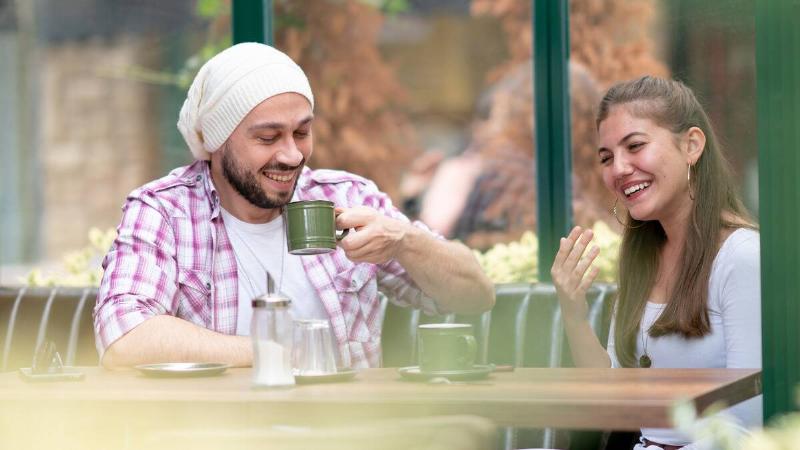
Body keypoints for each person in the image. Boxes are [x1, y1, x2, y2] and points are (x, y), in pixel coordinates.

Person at [93, 43, 495, 370]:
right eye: (268, 138)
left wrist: (404, 240)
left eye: (302, 132)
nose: (291, 155)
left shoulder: (347, 198)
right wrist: (274, 353)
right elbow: (125, 338)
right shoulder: (165, 211)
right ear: (215, 141)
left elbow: (475, 296)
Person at [550, 76, 761, 449]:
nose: (619, 169)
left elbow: (748, 430)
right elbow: (612, 401)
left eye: (635, 146)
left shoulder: (742, 257)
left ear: (691, 145)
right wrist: (574, 314)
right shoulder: (643, 256)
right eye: (607, 157)